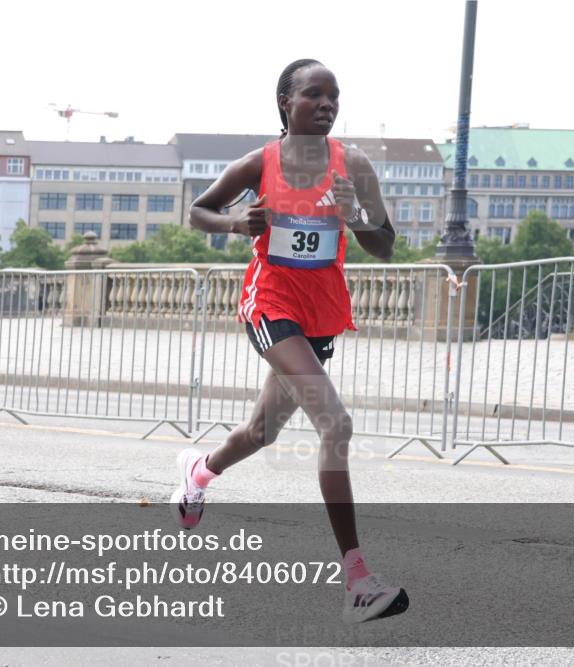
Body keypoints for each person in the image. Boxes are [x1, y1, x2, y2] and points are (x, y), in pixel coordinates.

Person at [172, 59, 407, 623]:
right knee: (336, 423)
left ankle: (199, 471)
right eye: (314, 95)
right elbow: (199, 209)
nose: (327, 105)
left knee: (262, 431)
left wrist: (357, 218)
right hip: (270, 303)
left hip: (321, 312)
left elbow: (386, 246)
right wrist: (236, 225)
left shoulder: (354, 165)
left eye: (334, 97)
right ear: (286, 103)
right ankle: (356, 580)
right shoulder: (259, 163)